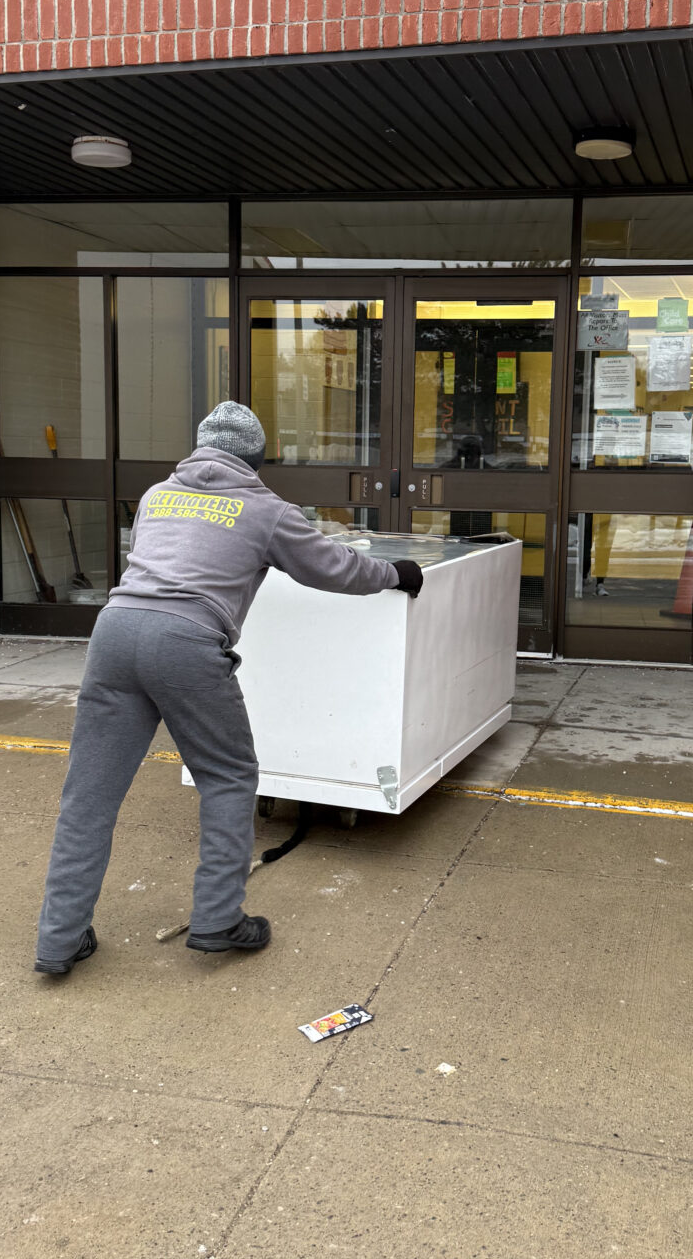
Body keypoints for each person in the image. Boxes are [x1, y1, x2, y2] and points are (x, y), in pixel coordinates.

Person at [33, 401, 424, 974]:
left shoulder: (155, 496)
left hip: (114, 634)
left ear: (198, 449)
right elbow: (334, 567)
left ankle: (57, 940)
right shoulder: (264, 508)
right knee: (228, 776)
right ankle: (218, 920)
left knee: (88, 795)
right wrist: (398, 573)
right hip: (186, 642)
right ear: (257, 459)